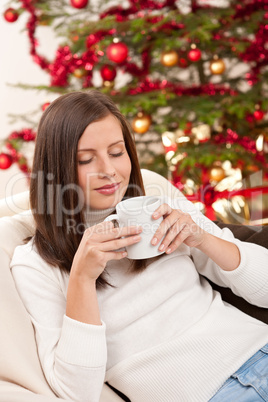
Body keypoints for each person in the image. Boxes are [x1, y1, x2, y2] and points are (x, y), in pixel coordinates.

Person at [10, 90, 268, 402]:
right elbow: (76, 392)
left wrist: (202, 238)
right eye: (85, 159)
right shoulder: (35, 263)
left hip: (258, 347)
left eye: (117, 153)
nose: (109, 170)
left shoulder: (159, 209)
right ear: (55, 169)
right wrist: (81, 278)